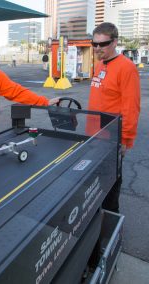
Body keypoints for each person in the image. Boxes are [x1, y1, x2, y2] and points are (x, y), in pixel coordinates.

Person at [88, 22, 141, 212]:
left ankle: (110, 229)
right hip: (94, 136)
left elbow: (131, 107)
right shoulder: (99, 64)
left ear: (115, 42)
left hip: (112, 138)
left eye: (103, 44)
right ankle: (96, 220)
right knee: (95, 185)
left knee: (110, 186)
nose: (97, 48)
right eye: (94, 44)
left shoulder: (126, 68)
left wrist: (124, 140)